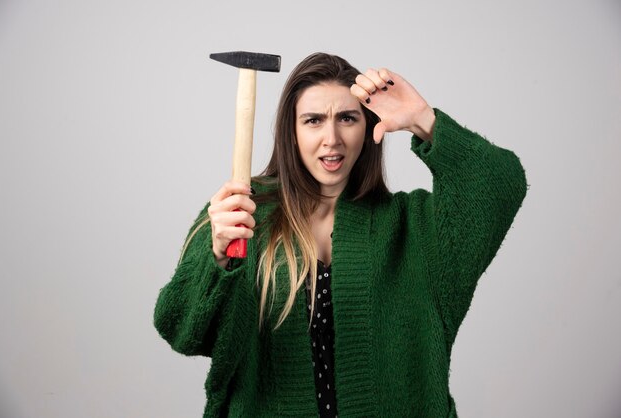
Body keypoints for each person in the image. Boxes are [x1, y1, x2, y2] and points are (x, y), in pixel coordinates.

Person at [154, 52, 528, 418]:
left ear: (367, 129)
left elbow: (500, 183)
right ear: (292, 133)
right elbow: (181, 329)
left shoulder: (415, 228)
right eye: (313, 120)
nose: (331, 138)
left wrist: (424, 121)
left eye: (347, 118)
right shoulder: (240, 218)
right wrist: (217, 256)